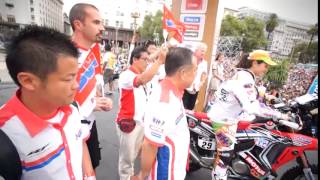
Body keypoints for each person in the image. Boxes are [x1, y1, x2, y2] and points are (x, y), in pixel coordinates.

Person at [0, 26, 93, 179]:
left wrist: (89, 174)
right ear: (28, 81)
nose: (76, 85)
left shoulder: (72, 109)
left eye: (76, 76)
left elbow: (80, 141)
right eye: (68, 78)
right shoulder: (6, 136)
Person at [207, 50, 289, 180]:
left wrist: (268, 98)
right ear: (255, 63)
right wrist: (281, 115)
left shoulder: (245, 74)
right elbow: (252, 106)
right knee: (225, 156)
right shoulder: (245, 77)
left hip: (230, 116)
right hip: (223, 120)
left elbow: (251, 95)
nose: (266, 69)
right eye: (265, 65)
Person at [132, 47, 197, 180]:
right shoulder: (165, 101)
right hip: (166, 172)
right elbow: (150, 144)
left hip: (173, 167)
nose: (197, 73)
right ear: (183, 73)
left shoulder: (172, 92)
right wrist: (142, 175)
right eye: (195, 69)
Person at [69, 3, 113, 171]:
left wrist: (100, 99)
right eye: (96, 22)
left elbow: (95, 80)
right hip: (70, 127)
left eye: (101, 22)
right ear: (78, 24)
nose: (102, 27)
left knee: (92, 167)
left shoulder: (94, 48)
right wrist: (91, 104)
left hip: (89, 123)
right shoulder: (61, 54)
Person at [116, 45, 167, 180]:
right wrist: (159, 61)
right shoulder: (127, 75)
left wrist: (163, 50)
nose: (147, 62)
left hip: (141, 123)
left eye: (147, 60)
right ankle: (125, 178)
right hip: (130, 123)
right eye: (144, 60)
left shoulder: (141, 73)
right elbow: (143, 79)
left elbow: (149, 70)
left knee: (139, 153)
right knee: (127, 158)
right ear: (135, 59)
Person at [183, 42, 208, 110]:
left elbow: (204, 74)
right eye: (202, 50)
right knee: (182, 108)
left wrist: (202, 82)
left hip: (196, 89)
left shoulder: (204, 63)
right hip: (185, 88)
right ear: (196, 50)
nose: (203, 53)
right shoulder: (189, 59)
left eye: (205, 51)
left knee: (191, 108)